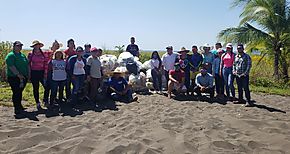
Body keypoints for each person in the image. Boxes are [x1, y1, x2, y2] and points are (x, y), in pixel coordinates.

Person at [5, 41, 29, 115]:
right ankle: (17, 108)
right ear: (14, 46)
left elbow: (27, 64)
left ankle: (19, 106)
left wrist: (28, 74)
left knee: (19, 92)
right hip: (14, 77)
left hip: (23, 77)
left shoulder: (22, 55)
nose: (19, 47)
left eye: (20, 46)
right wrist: (18, 74)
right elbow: (11, 66)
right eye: (18, 46)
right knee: (16, 92)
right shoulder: (11, 55)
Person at [28, 40, 49, 110]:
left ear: (40, 46)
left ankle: (45, 100)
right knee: (35, 88)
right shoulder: (30, 54)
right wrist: (29, 74)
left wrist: (45, 73)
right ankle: (37, 103)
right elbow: (29, 64)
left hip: (42, 72)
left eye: (37, 45)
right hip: (34, 72)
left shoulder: (44, 53)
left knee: (47, 86)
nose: (36, 46)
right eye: (35, 45)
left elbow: (46, 63)